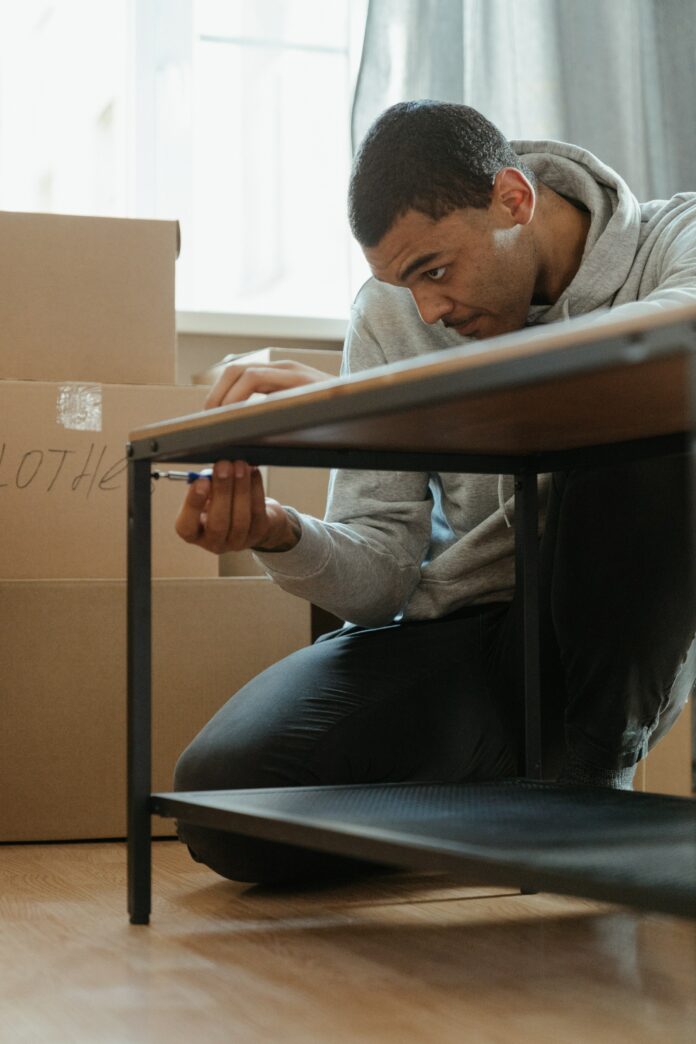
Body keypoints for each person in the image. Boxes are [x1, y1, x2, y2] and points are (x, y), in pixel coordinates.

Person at [173, 101, 696, 884]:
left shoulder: (670, 239)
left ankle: (581, 791)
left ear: (514, 200)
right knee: (223, 804)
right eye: (403, 285)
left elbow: (674, 333)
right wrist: (281, 531)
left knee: (652, 427)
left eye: (436, 272)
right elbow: (380, 574)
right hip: (464, 638)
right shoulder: (392, 310)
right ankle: (507, 799)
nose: (429, 312)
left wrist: (413, 401)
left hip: (606, 643)